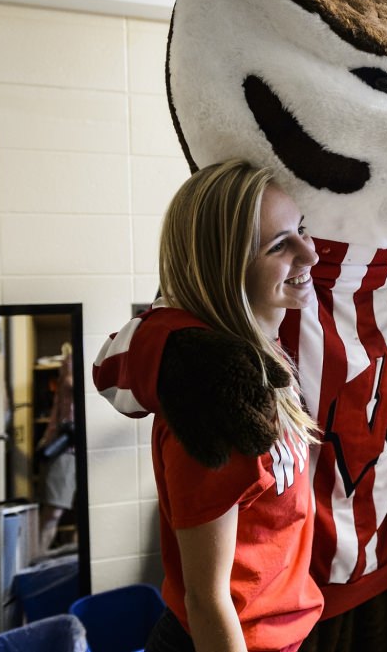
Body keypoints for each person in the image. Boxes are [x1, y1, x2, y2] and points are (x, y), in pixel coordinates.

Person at [96, 159, 323, 652]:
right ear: (227, 267)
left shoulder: (259, 359)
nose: (311, 253)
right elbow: (207, 599)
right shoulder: (214, 398)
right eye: (280, 245)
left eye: (301, 230)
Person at [36, 343, 77, 554]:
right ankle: (35, 560)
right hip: (65, 447)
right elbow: (69, 386)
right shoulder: (70, 359)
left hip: (85, 448)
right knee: (53, 512)